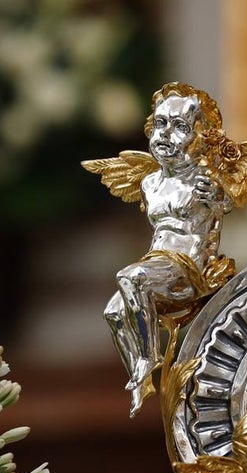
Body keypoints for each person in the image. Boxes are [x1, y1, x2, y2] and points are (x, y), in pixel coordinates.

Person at [102, 83, 235, 416]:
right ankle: (140, 376)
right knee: (114, 313)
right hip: (156, 265)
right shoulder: (149, 182)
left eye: (180, 127)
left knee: (129, 277)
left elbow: (224, 204)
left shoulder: (203, 179)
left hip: (189, 269)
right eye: (160, 124)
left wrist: (218, 198)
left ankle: (149, 359)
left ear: (200, 138)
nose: (165, 134)